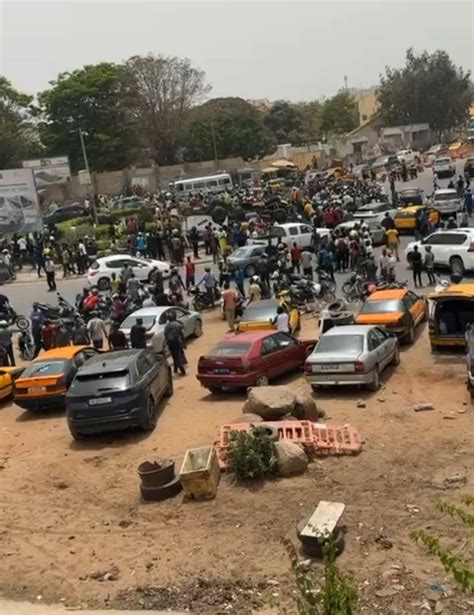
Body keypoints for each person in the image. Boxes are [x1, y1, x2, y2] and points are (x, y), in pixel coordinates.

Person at [164, 310, 186, 375]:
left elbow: (165, 335)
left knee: (174, 356)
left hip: (171, 343)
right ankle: (182, 370)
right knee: (178, 356)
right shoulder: (178, 325)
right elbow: (182, 334)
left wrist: (167, 343)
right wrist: (184, 343)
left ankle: (175, 369)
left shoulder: (167, 326)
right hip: (178, 342)